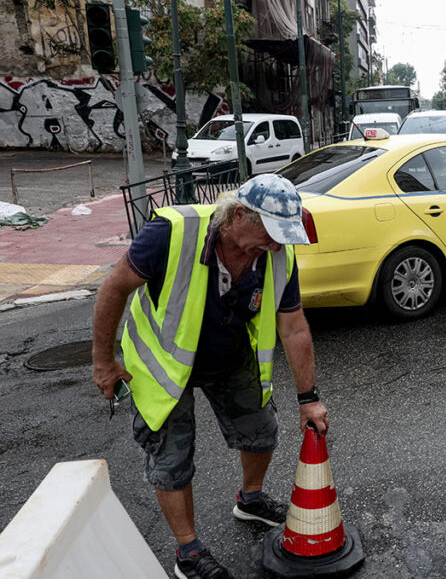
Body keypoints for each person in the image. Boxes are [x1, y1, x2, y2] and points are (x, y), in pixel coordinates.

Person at [92, 174, 328, 579]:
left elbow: (294, 327)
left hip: (228, 354)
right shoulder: (173, 233)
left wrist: (309, 397)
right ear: (239, 216)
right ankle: (189, 553)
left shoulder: (276, 256)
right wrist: (103, 361)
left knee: (261, 430)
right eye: (271, 233)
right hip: (162, 363)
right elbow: (114, 289)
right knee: (172, 459)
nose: (277, 245)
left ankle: (250, 500)